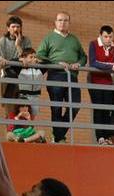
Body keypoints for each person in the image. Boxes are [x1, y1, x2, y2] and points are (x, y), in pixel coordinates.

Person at [36, 12, 86, 143]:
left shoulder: (74, 39)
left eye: (65, 20)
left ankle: (58, 135)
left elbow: (83, 56)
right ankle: (59, 138)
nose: (62, 23)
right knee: (56, 108)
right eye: (59, 20)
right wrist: (56, 64)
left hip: (72, 76)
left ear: (69, 23)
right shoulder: (49, 38)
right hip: (55, 76)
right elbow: (39, 55)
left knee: (75, 105)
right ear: (55, 22)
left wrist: (78, 63)